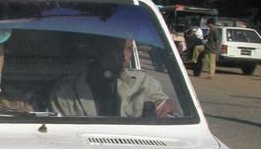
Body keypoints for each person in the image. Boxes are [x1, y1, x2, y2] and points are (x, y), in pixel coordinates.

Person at [49, 37, 178, 119]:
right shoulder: (66, 92)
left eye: (128, 50)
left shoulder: (144, 83)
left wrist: (167, 108)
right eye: (117, 49)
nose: (125, 57)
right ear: (98, 50)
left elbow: (169, 115)